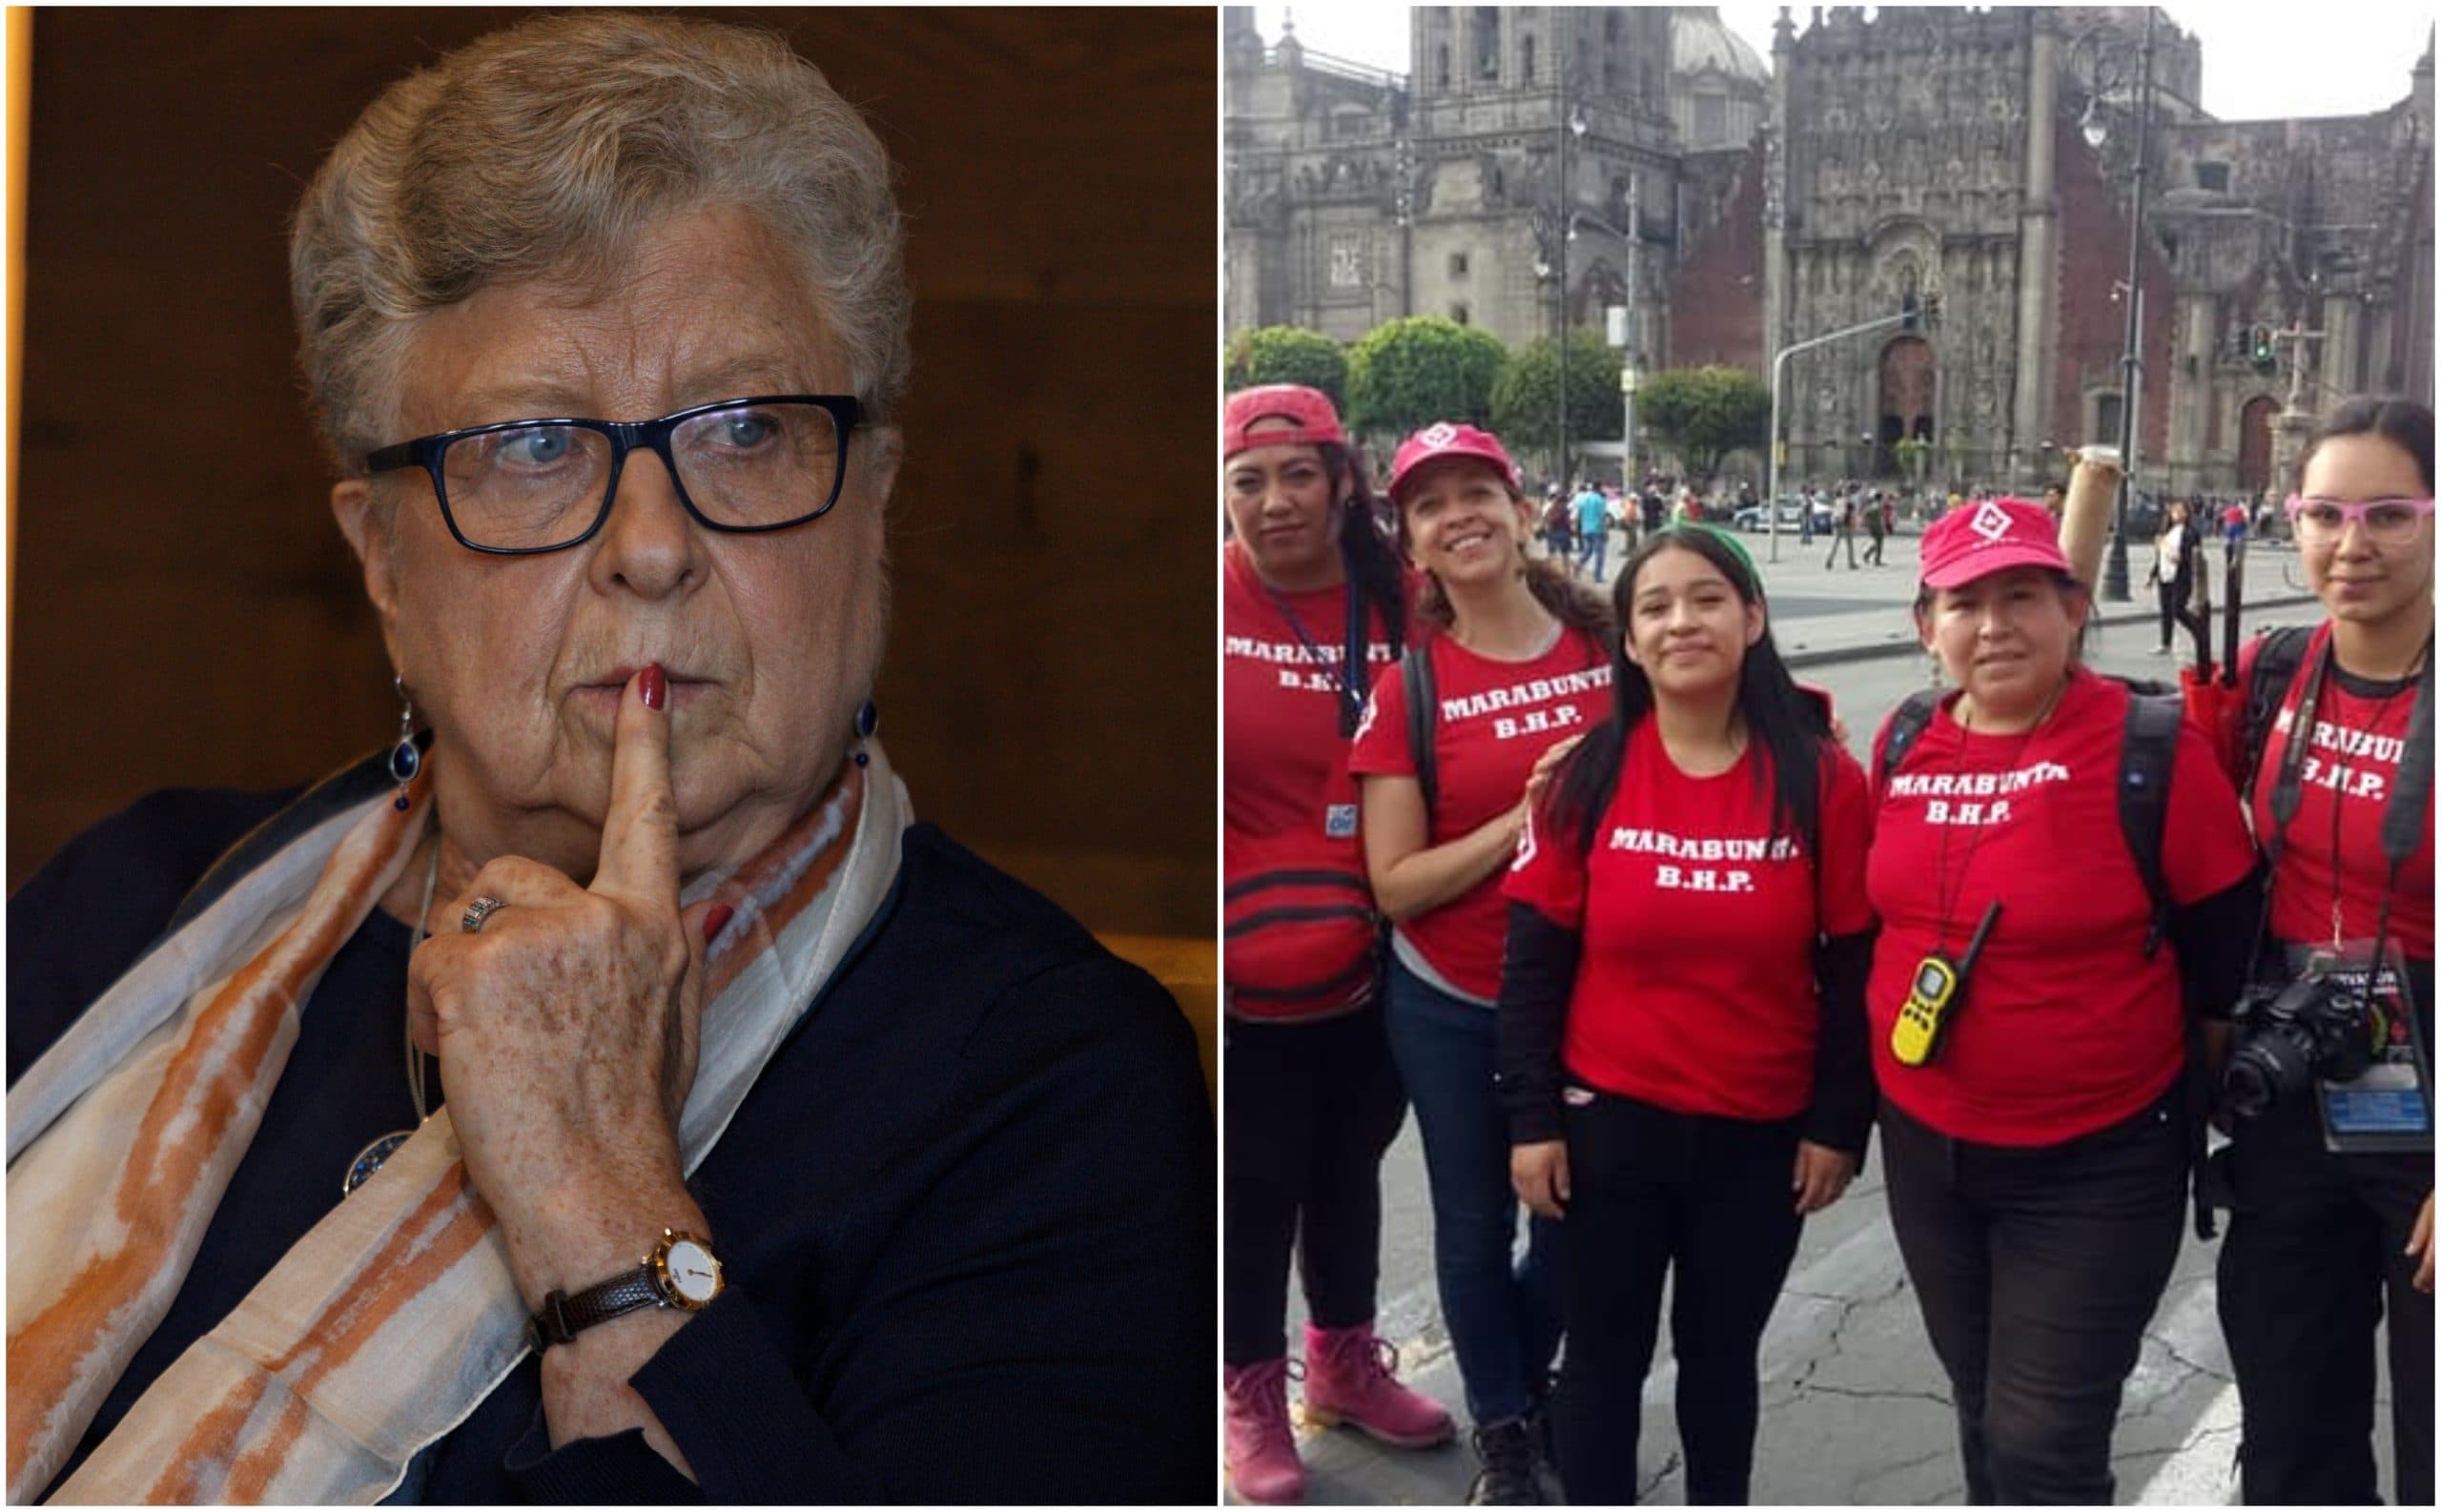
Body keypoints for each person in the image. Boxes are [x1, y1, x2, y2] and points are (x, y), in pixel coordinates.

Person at [3, 15, 1209, 1504]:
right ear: (381, 557)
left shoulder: (1050, 1085)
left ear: (872, 509)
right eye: (530, 445)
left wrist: (597, 1195)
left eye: (749, 428)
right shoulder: (128, 906)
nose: (652, 545)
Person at [1865, 498, 2262, 1502]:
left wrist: (2204, 1077)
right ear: (1926, 626)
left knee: (2044, 1440)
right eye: (1964, 602)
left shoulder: (2150, 749)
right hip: (1924, 1145)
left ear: (2072, 606)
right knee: (1981, 1404)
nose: (1992, 624)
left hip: (2096, 1159)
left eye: (2020, 596)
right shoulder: (1904, 737)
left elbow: (2224, 942)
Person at [1500, 524, 1876, 1504]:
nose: (1681, 621)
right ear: (1627, 640)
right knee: (1602, 1360)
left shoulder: (1821, 777)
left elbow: (1852, 965)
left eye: (1706, 598)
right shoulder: (1586, 773)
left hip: (1758, 1135)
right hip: (1606, 1123)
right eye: (1654, 606)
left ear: (1752, 617)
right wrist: (1532, 1118)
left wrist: (1838, 1123)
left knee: (1719, 1359)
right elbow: (1533, 963)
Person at [1349, 421, 1611, 1503]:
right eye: (1429, 502)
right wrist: (1523, 819)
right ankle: (1505, 1418)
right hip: (1452, 998)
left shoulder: (1607, 651)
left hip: (1592, 996)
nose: (1459, 514)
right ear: (1409, 540)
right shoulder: (1409, 687)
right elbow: (1396, 884)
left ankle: (1521, 1362)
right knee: (1472, 1218)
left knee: (1576, 1213)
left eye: (1477, 492)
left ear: (1521, 510)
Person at [1221, 385, 1451, 1503]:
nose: (1273, 502)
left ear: (1339, 480)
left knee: (1348, 1167)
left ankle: (1345, 1366)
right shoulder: (1201, 598)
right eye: (1247, 481)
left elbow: (1536, 665)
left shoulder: (1404, 602)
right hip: (1241, 978)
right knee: (1252, 1189)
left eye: (1295, 475)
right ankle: (1252, 1398)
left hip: (1370, 966)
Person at [2211, 397, 2433, 1506]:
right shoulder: (2271, 672)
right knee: (2293, 1423)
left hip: (2433, 1080)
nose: (2353, 543)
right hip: (2300, 1064)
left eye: (2388, 513)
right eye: (2326, 511)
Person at [2146, 498, 2200, 654]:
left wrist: (2179, 558)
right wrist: (2152, 575)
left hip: (2181, 576)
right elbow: (2160, 556)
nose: (2176, 514)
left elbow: (2191, 556)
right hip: (2165, 574)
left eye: (2180, 511)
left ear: (2187, 513)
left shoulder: (2190, 533)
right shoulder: (2166, 532)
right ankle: (2165, 643)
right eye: (2174, 511)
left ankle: (2198, 631)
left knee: (2178, 608)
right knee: (2166, 610)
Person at [1572, 480, 1611, 582]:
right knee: (1600, 554)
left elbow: (1579, 513)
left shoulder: (1584, 499)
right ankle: (1598, 576)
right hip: (1597, 530)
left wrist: (1578, 527)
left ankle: (1577, 566)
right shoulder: (1600, 500)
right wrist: (1605, 531)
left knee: (1587, 551)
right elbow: (1602, 517)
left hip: (1585, 529)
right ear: (1599, 488)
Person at [1825, 489, 1858, 569]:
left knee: (1835, 544)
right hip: (1845, 524)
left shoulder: (1836, 502)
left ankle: (1829, 560)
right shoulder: (1845, 502)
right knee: (1850, 545)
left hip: (1837, 524)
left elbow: (1834, 514)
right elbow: (1847, 512)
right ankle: (1851, 563)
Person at [1863, 488, 1889, 566]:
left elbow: (1866, 514)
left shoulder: (1872, 505)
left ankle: (1868, 554)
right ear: (1880, 498)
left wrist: (1867, 522)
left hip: (1873, 526)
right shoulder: (1878, 506)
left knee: (1877, 543)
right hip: (1877, 526)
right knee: (1879, 543)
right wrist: (1884, 528)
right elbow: (1881, 518)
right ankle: (1876, 560)